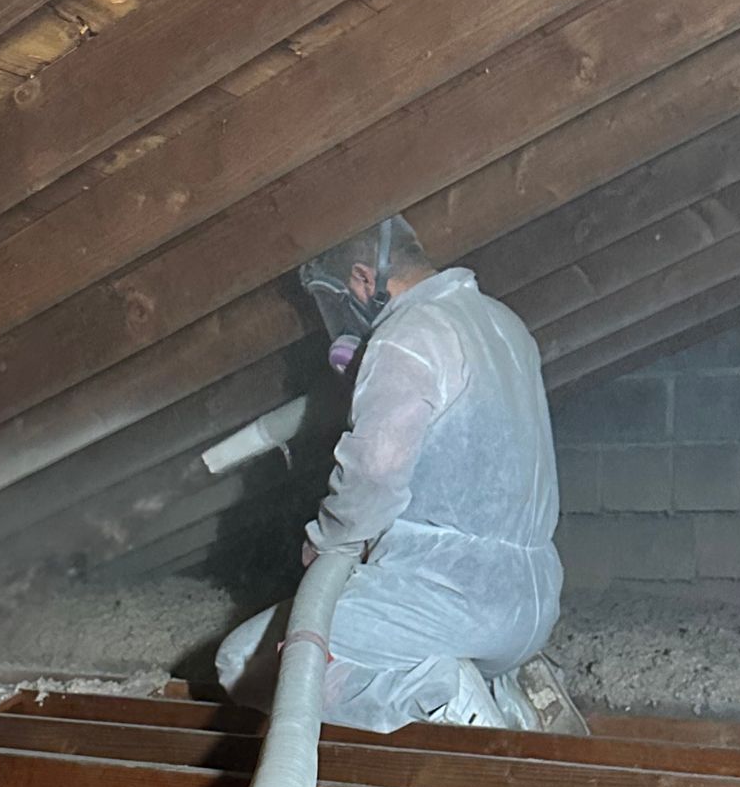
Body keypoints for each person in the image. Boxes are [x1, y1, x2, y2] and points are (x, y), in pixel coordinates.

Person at [216, 215, 569, 732]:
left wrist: (327, 541)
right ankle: (509, 693)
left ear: (363, 279)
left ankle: (442, 699)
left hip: (446, 595)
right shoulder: (502, 323)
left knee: (244, 664)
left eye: (337, 299)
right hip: (530, 600)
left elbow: (374, 475)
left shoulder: (410, 334)